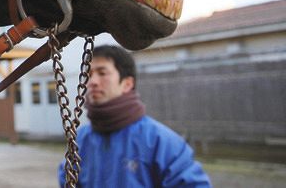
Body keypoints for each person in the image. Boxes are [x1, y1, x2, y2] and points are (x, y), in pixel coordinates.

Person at [58, 45, 211, 187]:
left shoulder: (160, 141)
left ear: (127, 84)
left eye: (102, 73)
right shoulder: (80, 139)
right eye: (88, 75)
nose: (93, 82)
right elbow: (66, 179)